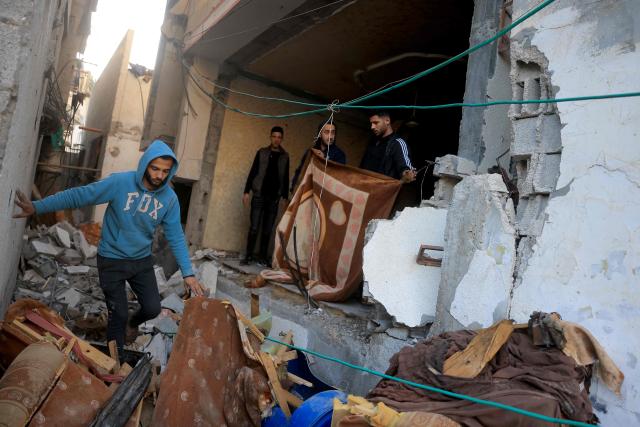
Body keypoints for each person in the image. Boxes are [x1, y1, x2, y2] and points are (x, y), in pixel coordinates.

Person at [13, 140, 205, 356]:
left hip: (140, 261)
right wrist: (38, 206)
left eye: (165, 171)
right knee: (118, 313)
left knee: (152, 308)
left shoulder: (169, 199)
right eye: (155, 168)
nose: (159, 175)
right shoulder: (120, 183)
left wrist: (188, 273)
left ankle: (132, 323)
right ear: (145, 164)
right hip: (112, 258)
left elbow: (176, 236)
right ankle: (115, 363)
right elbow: (80, 195)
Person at [242, 126, 290, 265]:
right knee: (254, 227)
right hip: (259, 195)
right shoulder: (262, 152)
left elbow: (286, 177)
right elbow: (253, 171)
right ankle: (249, 256)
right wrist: (246, 191)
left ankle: (262, 256)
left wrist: (285, 197)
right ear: (270, 137)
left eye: (279, 137)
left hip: (274, 198)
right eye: (274, 136)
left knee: (268, 230)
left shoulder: (285, 156)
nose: (276, 139)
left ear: (282, 139)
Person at [360, 111, 416, 183]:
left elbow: (405, 168)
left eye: (376, 123)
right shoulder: (373, 140)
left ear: (387, 121)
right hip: (364, 186)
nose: (372, 127)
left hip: (382, 191)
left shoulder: (398, 143)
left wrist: (407, 173)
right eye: (371, 124)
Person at [290, 120, 346, 193]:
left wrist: (323, 160)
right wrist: (294, 189)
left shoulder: (340, 155)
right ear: (319, 134)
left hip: (323, 196)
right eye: (327, 132)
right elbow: (300, 170)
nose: (330, 136)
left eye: (333, 132)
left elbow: (338, 180)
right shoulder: (312, 151)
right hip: (306, 193)